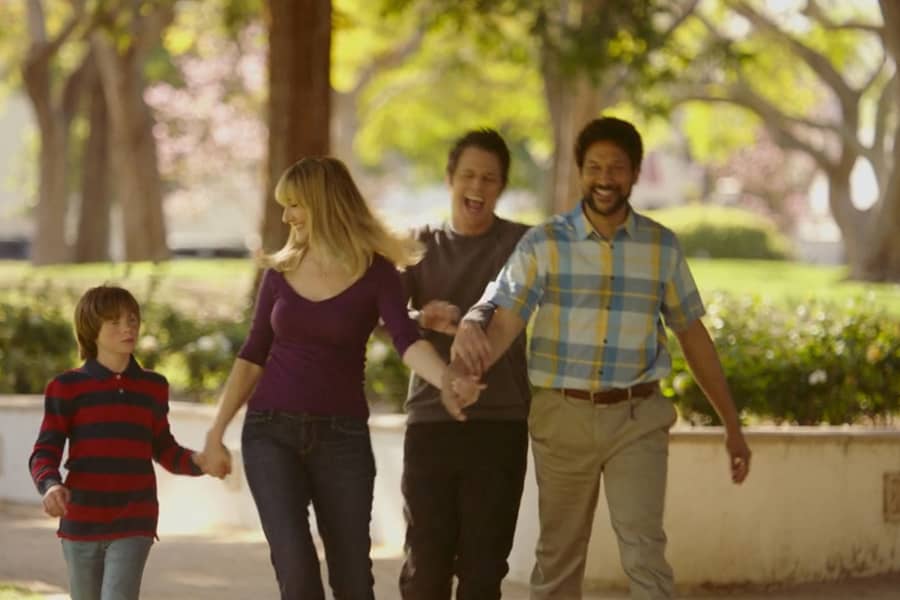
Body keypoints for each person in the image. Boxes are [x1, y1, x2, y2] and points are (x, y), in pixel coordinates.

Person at [446, 117, 752, 599]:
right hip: (562, 416)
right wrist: (466, 374)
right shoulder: (545, 243)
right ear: (579, 173)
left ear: (633, 174)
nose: (605, 178)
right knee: (558, 560)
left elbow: (692, 335)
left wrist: (732, 426)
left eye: (616, 168)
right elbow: (505, 317)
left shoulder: (660, 246)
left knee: (645, 553)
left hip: (637, 417)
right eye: (594, 167)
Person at [199, 157, 481, 600]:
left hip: (342, 438)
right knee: (297, 573)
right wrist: (216, 433)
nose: (287, 216)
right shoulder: (280, 272)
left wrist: (447, 380)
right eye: (285, 206)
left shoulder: (376, 272)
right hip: (270, 433)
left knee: (353, 580)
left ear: (324, 204)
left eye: (296, 205)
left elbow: (406, 340)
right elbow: (253, 353)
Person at [398, 129, 531, 599]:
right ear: (449, 178)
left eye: (490, 179)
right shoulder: (417, 244)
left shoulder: (523, 243)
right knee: (425, 565)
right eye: (468, 175)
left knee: (482, 568)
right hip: (431, 421)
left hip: (501, 422)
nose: (477, 188)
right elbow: (380, 319)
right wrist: (420, 316)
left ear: (502, 186)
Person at [28, 285, 206, 600]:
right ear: (91, 330)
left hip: (134, 518)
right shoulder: (66, 387)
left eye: (133, 320)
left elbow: (163, 447)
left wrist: (199, 463)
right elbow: (45, 451)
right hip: (81, 519)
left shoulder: (153, 386)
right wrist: (51, 485)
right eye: (115, 322)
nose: (128, 328)